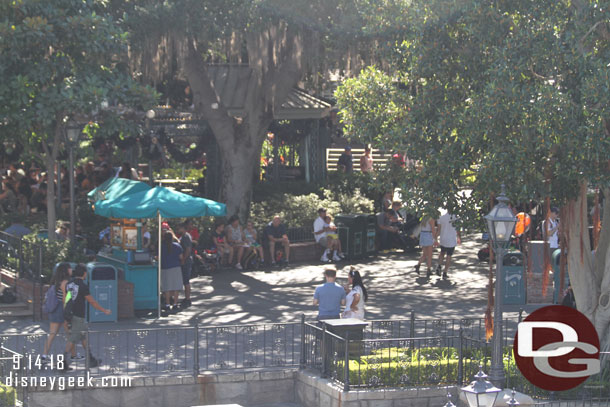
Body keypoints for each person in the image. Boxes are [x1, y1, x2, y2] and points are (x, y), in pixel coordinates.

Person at [62, 263, 110, 370]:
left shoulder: (69, 284)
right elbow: (92, 301)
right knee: (73, 338)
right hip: (78, 316)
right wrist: (104, 310)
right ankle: (63, 361)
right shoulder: (83, 286)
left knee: (84, 337)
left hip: (70, 314)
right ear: (84, 273)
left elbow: (68, 299)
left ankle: (90, 358)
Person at [42, 263, 72, 363]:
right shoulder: (66, 282)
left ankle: (44, 355)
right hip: (62, 309)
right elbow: (64, 299)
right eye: (70, 268)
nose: (71, 270)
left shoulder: (56, 281)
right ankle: (67, 356)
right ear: (66, 270)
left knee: (52, 334)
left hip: (55, 309)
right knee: (71, 335)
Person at [160, 231, 183, 315]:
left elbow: (158, 257)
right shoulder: (177, 246)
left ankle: (167, 303)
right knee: (176, 286)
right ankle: (175, 304)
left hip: (165, 268)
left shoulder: (162, 247)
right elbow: (181, 257)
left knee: (167, 287)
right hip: (175, 267)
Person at [436, 212, 461, 279]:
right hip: (451, 239)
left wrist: (435, 239)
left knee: (442, 253)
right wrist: (459, 237)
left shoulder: (441, 217)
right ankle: (445, 272)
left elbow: (439, 230)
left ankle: (439, 265)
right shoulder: (456, 217)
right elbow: (458, 229)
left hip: (443, 238)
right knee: (449, 256)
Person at [177, 222, 193, 307]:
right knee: (184, 279)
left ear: (183, 228)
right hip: (185, 260)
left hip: (186, 261)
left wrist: (183, 259)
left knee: (186, 280)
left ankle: (188, 298)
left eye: (179, 228)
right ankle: (186, 297)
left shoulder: (186, 237)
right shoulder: (183, 236)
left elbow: (188, 249)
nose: (178, 230)